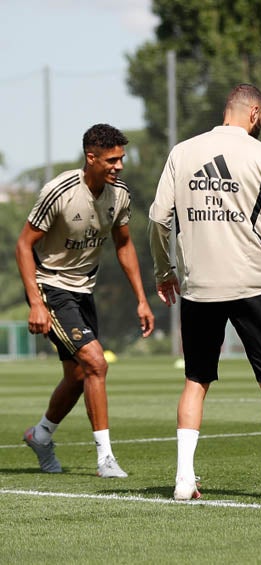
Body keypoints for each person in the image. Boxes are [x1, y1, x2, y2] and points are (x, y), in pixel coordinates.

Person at [149, 84, 261, 501]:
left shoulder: (182, 152)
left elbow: (159, 219)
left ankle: (183, 480)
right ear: (254, 113)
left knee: (196, 381)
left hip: (199, 286)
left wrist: (166, 273)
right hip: (253, 282)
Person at [16, 123, 154, 478]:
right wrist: (35, 301)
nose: (118, 166)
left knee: (79, 375)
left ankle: (41, 435)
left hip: (83, 291)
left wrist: (142, 299)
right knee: (96, 363)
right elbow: (23, 244)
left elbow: (124, 244)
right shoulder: (59, 191)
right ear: (90, 158)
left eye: (121, 159)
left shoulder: (119, 194)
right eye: (111, 159)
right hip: (51, 286)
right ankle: (105, 459)